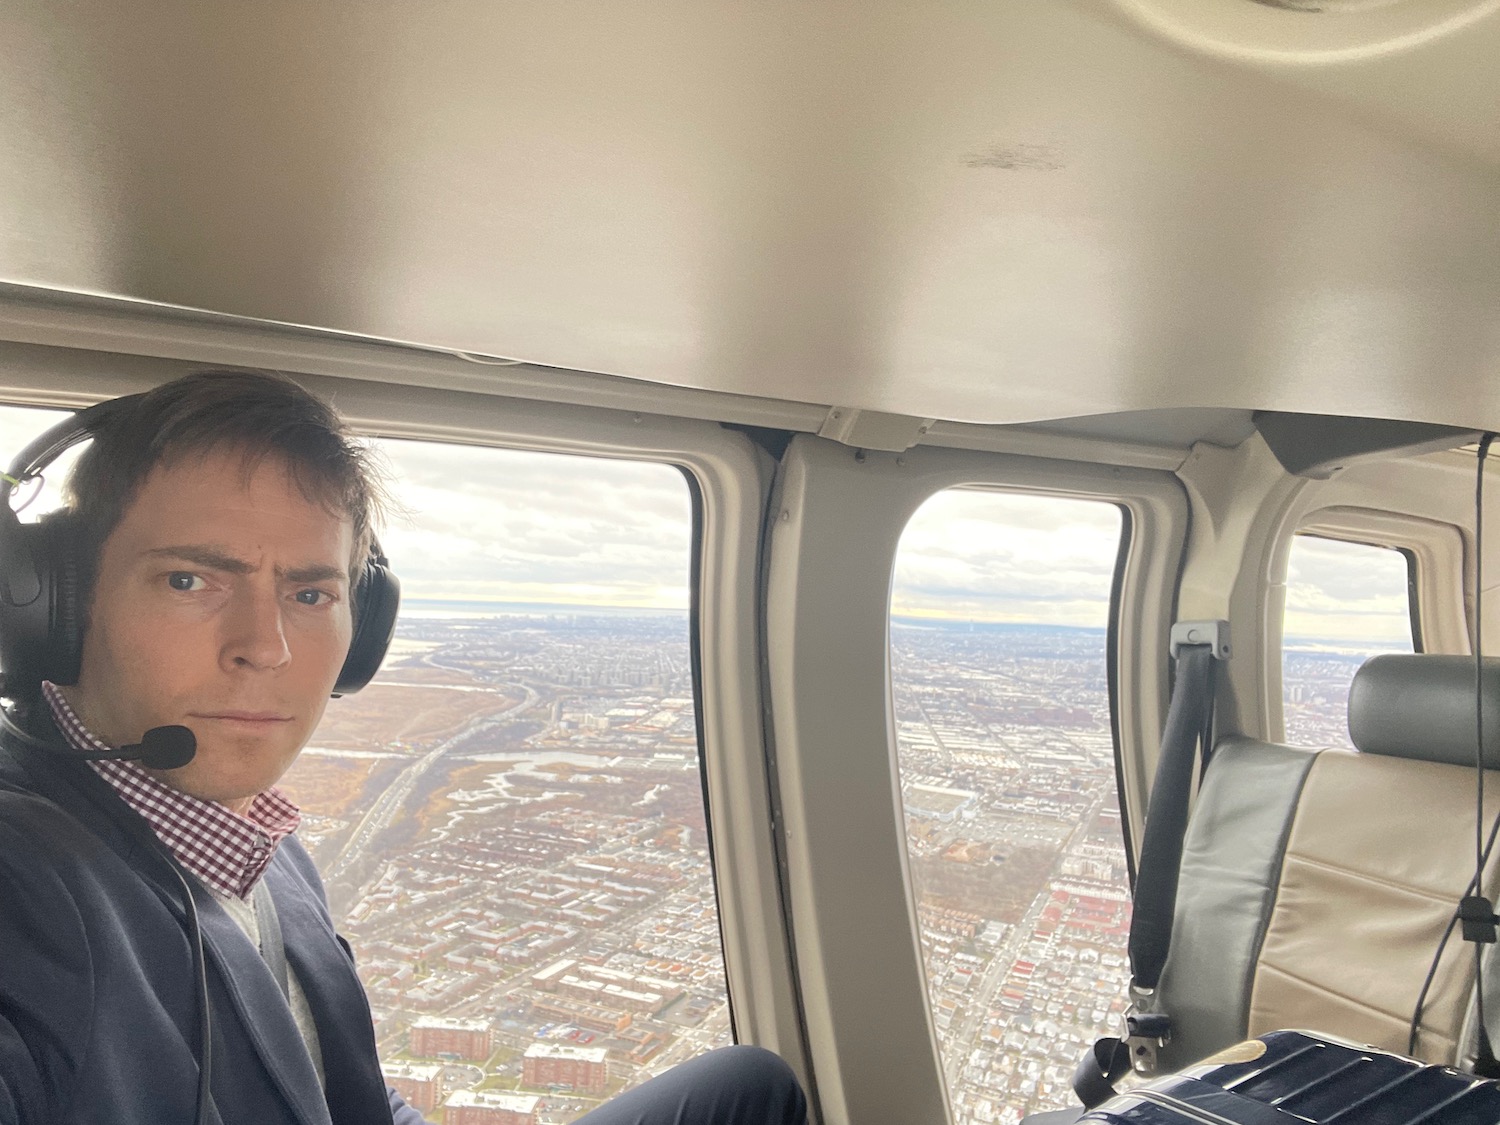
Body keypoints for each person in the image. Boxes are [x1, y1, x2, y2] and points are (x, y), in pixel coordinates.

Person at [0, 370, 808, 1125]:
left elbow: (349, 1091)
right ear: (54, 609)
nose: (267, 645)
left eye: (310, 592)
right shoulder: (25, 879)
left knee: (752, 1084)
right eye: (189, 580)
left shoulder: (264, 850)